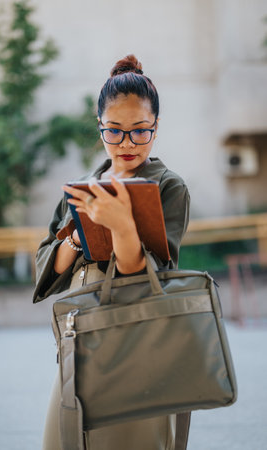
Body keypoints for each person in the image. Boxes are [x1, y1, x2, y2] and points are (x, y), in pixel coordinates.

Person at [33, 54, 191, 450]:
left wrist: (121, 226)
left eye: (140, 131)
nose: (126, 143)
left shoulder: (168, 187)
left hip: (140, 342)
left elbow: (148, 275)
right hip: (79, 343)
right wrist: (76, 237)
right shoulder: (82, 187)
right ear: (100, 127)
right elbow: (46, 264)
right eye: (114, 131)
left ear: (156, 127)